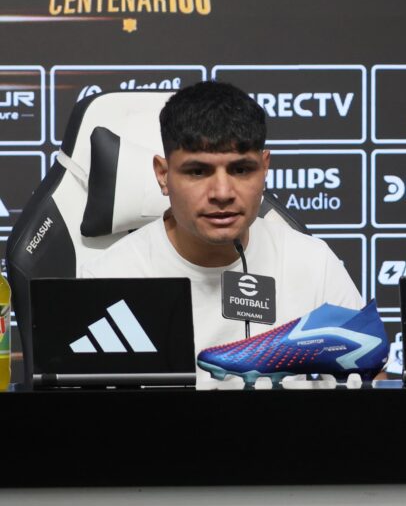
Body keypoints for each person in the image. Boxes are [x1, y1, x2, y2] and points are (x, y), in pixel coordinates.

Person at [79, 80, 364, 361]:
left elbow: (370, 377)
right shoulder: (109, 280)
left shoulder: (315, 265)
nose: (222, 193)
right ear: (163, 175)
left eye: (241, 170)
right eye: (198, 172)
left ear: (265, 169)